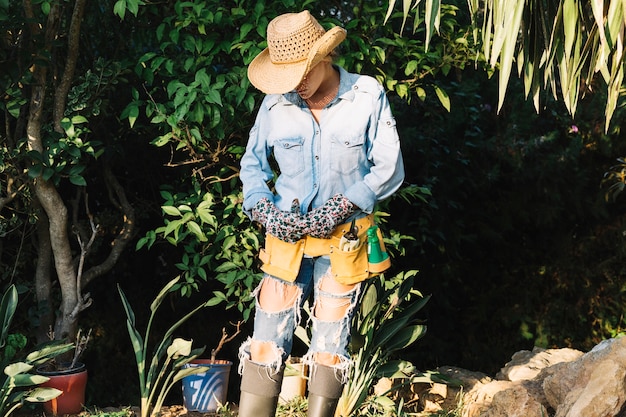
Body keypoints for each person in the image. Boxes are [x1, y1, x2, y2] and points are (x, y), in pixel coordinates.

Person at [238, 10, 405, 417]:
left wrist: (343, 205)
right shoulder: (275, 104)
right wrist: (262, 208)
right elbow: (252, 166)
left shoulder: (366, 94)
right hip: (285, 241)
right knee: (264, 343)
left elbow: (390, 167)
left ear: (324, 57)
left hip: (342, 241)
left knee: (330, 346)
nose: (296, 84)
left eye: (303, 72)